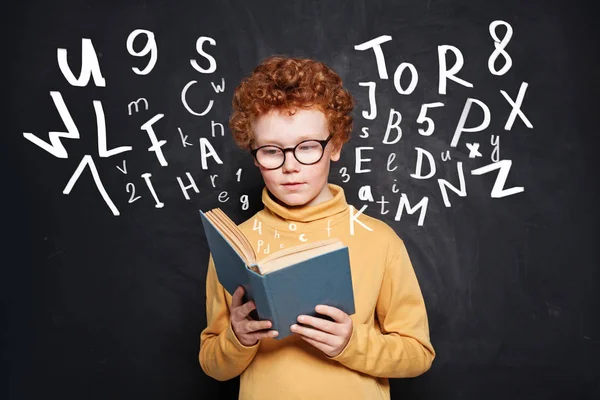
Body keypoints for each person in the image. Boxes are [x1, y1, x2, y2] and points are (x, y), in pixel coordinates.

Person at [199, 55, 435, 400]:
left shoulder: (379, 240)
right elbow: (212, 364)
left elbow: (418, 355)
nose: (290, 166)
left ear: (335, 145)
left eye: (308, 147)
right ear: (254, 155)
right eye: (271, 151)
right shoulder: (235, 245)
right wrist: (238, 338)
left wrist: (352, 342)